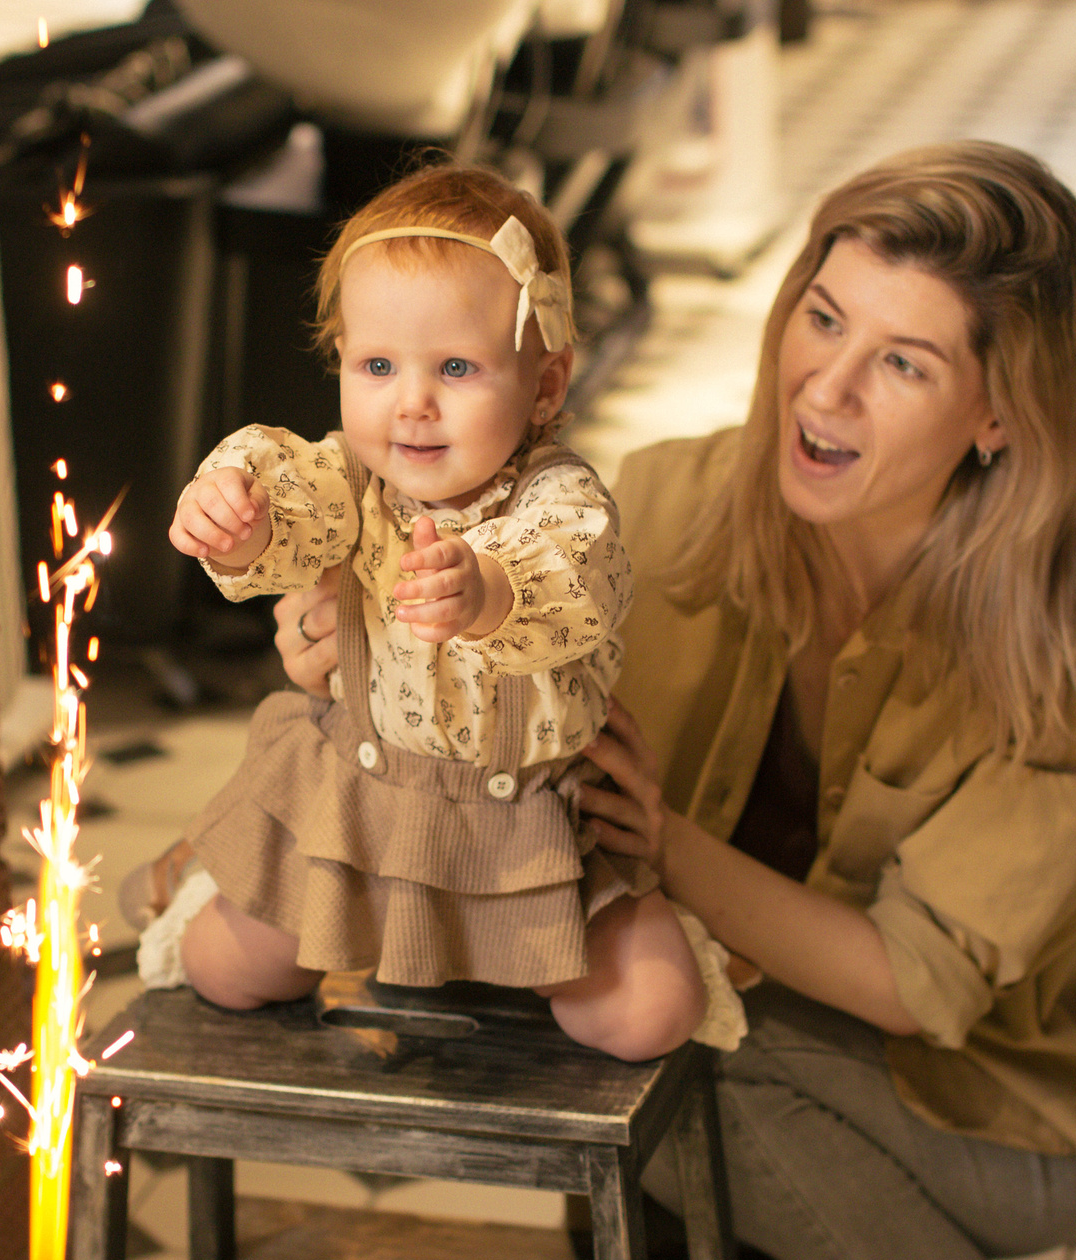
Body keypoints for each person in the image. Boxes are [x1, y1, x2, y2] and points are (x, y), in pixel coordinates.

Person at [268, 141, 1076, 1260]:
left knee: (691, 1030)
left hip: (1014, 1105)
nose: (825, 389)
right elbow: (474, 702)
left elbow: (918, 986)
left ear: (1002, 412)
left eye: (903, 365)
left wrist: (669, 849)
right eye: (823, 317)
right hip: (751, 1024)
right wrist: (348, 641)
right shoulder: (663, 496)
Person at [159, 162, 708, 1062]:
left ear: (545, 385)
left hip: (530, 819)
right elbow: (293, 502)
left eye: (456, 367)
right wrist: (238, 518)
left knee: (651, 1012)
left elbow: (576, 582)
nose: (411, 403)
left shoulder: (561, 499)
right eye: (377, 365)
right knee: (224, 968)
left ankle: (504, 947)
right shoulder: (353, 481)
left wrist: (488, 591)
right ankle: (203, 879)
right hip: (366, 794)